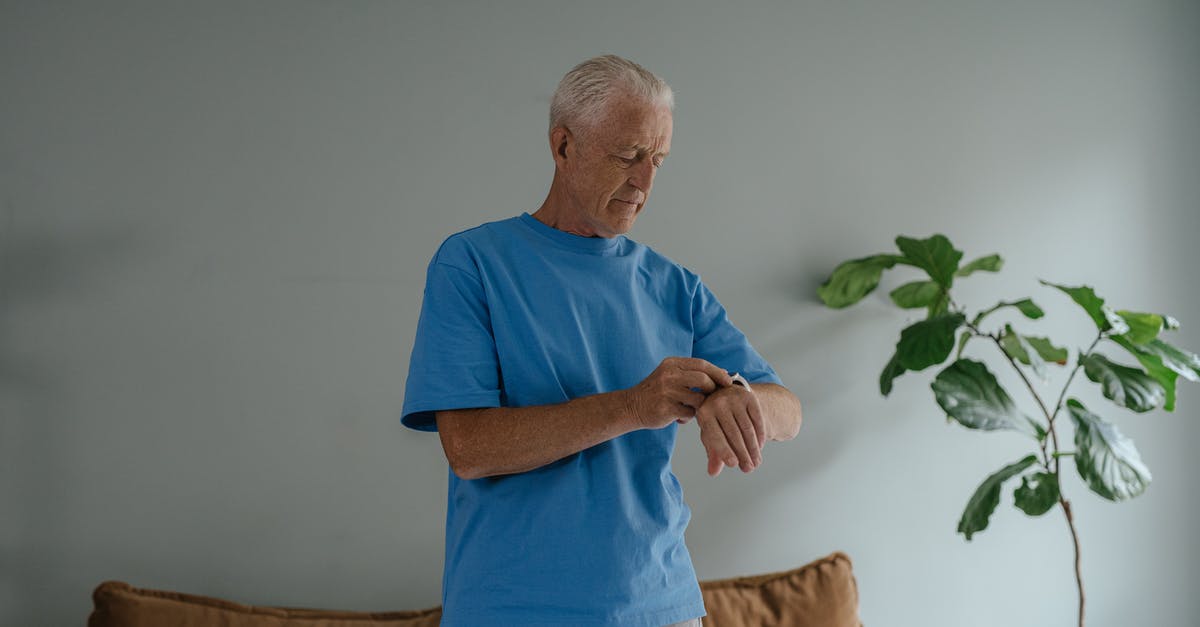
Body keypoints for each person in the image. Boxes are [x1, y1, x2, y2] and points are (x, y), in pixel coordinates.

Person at [401, 54, 802, 627]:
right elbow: (470, 449)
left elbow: (788, 411)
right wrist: (635, 406)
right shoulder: (472, 264)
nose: (645, 181)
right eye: (629, 156)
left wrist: (741, 396)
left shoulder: (675, 287)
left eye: (658, 160)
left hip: (663, 609)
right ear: (563, 146)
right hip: (513, 612)